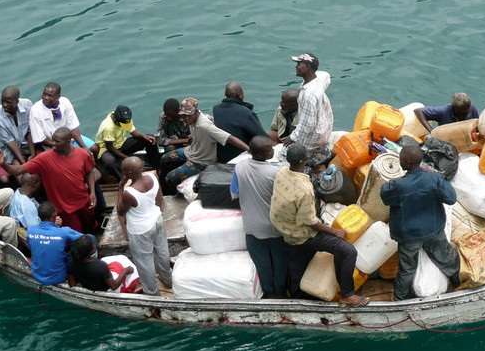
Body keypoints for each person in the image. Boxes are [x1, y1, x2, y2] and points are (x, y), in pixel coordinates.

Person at [269, 143, 369, 306]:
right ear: (305, 160)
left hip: (285, 231)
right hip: (303, 234)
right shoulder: (304, 190)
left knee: (298, 261)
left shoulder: (281, 173)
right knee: (347, 250)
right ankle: (347, 294)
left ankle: (295, 297)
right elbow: (309, 221)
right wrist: (334, 232)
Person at [380, 145, 461, 301]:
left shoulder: (397, 186)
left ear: (406, 163)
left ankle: (400, 300)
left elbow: (385, 196)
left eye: (401, 159)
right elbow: (451, 198)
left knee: (406, 268)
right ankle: (458, 281)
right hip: (433, 230)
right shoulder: (434, 178)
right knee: (446, 257)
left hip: (408, 236)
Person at [0, 127, 99, 234]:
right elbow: (19, 170)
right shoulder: (44, 158)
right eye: (53, 140)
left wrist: (92, 192)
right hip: (65, 210)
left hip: (84, 203)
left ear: (68, 142)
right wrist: (3, 164)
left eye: (57, 141)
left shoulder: (82, 154)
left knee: (91, 229)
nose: (52, 144)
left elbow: (89, 172)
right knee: (75, 236)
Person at [231, 135, 291, 298]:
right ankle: (281, 294)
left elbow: (234, 194)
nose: (272, 151)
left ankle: (268, 293)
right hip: (274, 228)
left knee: (262, 264)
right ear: (260, 155)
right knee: (279, 263)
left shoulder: (239, 167)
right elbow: (285, 200)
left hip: (251, 227)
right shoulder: (275, 173)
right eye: (270, 150)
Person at [158, 98, 248, 194]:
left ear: (196, 112)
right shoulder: (191, 121)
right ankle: (161, 188)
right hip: (191, 150)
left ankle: (171, 195)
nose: (186, 119)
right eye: (183, 116)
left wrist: (248, 148)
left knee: (170, 178)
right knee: (164, 159)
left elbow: (229, 138)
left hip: (202, 161)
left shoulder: (205, 125)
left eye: (188, 116)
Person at [116, 157, 171, 295]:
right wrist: (157, 213)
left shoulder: (130, 193)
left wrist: (120, 187)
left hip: (140, 230)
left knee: (145, 263)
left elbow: (120, 210)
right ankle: (168, 280)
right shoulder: (152, 178)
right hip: (157, 219)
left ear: (128, 173)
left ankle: (153, 294)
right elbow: (159, 199)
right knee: (162, 253)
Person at [283, 53, 334, 163]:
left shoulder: (309, 95)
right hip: (324, 129)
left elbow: (308, 124)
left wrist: (292, 137)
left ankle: (311, 162)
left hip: (314, 138)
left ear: (308, 67)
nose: (296, 66)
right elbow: (326, 76)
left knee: (284, 154)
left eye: (299, 64)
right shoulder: (319, 78)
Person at [93, 104, 160, 180]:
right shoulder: (108, 128)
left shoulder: (124, 117)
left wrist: (144, 136)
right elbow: (109, 147)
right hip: (107, 149)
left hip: (121, 144)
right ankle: (123, 179)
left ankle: (154, 165)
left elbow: (132, 130)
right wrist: (126, 158)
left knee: (150, 139)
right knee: (109, 162)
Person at [26, 201, 83, 286]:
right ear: (54, 215)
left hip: (38, 277)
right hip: (58, 278)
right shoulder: (64, 231)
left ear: (38, 216)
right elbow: (86, 240)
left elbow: (33, 247)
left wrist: (55, 227)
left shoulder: (31, 230)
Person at [212, 82, 267, 163]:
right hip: (240, 153)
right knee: (272, 136)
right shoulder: (246, 113)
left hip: (223, 155)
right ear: (240, 94)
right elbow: (263, 137)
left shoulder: (216, 109)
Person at [29, 82, 87, 152]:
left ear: (58, 97)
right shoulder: (35, 110)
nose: (45, 97)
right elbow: (40, 139)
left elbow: (73, 127)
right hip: (51, 144)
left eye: (50, 96)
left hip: (69, 141)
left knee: (94, 149)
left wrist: (84, 147)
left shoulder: (65, 102)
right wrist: (61, 145)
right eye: (44, 94)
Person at [68, 235, 133, 292]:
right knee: (123, 260)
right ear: (93, 248)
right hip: (108, 291)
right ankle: (136, 285)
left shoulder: (71, 262)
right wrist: (124, 271)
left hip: (89, 287)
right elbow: (114, 286)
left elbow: (72, 284)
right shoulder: (100, 266)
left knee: (107, 260)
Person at [0, 85, 34, 165]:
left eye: (8, 102)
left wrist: (32, 154)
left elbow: (30, 130)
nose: (4, 104)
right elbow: (10, 142)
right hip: (12, 150)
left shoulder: (27, 104)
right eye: (2, 101)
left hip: (30, 143)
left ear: (17, 102)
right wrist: (24, 164)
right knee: (21, 172)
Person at [414, 92, 479, 131]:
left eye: (469, 107)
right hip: (446, 139)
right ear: (456, 109)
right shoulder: (443, 111)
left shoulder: (471, 108)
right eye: (465, 110)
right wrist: (431, 131)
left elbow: (478, 124)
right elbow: (418, 111)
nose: (469, 110)